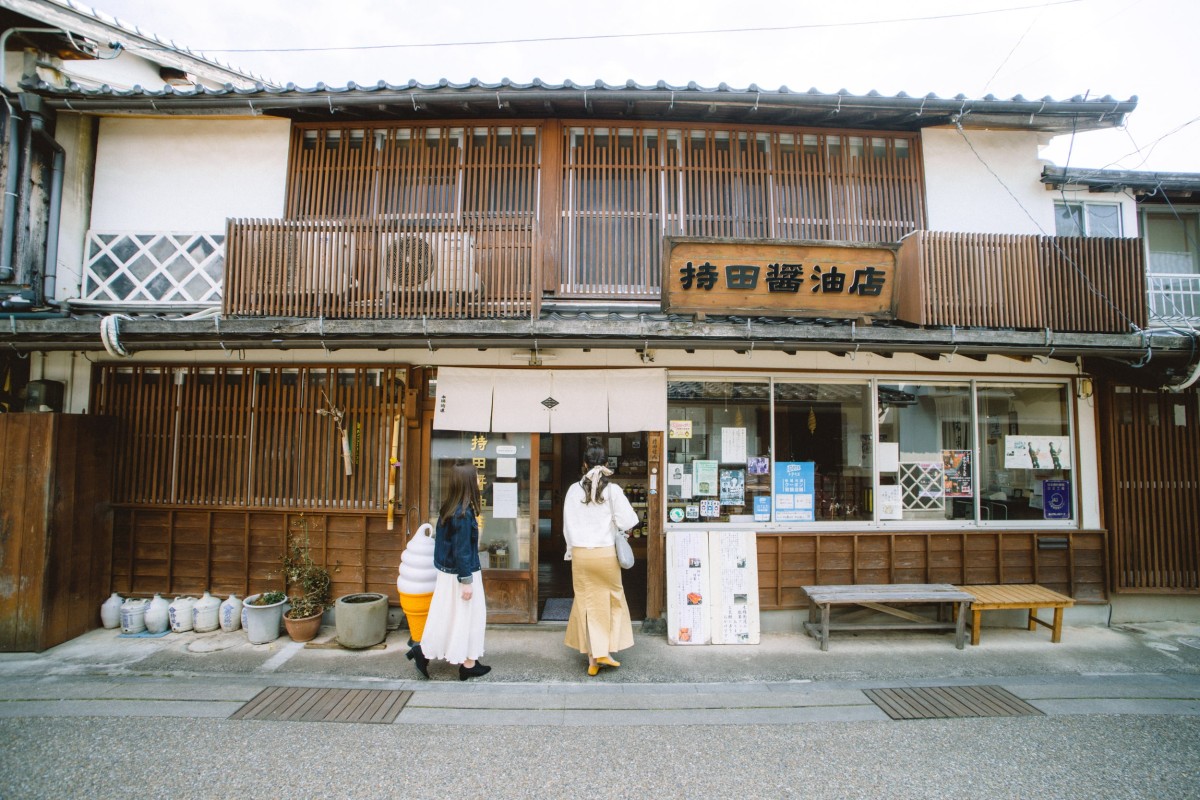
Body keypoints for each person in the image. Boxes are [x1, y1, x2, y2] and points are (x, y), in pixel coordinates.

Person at [562, 444, 639, 676]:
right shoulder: (612, 490)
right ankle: (604, 649)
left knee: (586, 602)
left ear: (584, 463)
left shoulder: (573, 491)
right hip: (605, 553)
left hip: (581, 554)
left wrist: (571, 550)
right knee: (611, 600)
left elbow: (568, 526)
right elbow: (629, 521)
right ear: (606, 464)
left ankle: (593, 658)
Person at [411, 462, 491, 680]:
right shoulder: (463, 514)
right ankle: (466, 663)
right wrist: (466, 581)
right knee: (469, 616)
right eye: (475, 478)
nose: (478, 481)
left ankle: (463, 660)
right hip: (462, 574)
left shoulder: (449, 507)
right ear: (467, 483)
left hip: (448, 574)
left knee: (447, 616)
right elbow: (463, 550)